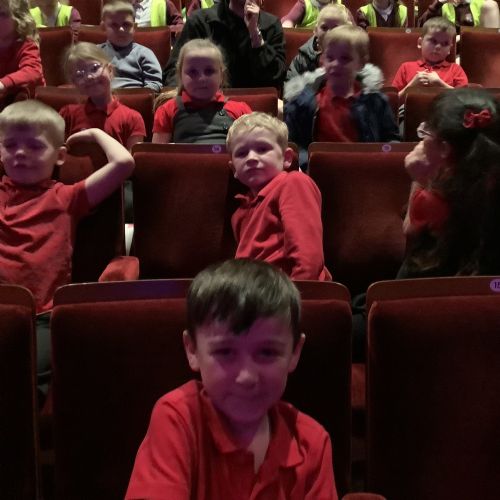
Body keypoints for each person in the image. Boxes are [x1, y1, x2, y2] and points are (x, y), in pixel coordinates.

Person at [126, 258, 338, 499]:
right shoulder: (178, 419)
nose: (246, 376)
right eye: (225, 352)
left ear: (294, 352)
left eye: (267, 352)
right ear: (192, 350)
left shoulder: (312, 444)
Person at [0, 99, 135, 397]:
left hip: (42, 315)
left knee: (26, 382)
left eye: (35, 146)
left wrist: (95, 134)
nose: (20, 153)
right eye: (10, 145)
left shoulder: (67, 197)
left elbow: (124, 163)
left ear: (60, 156)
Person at [398, 87, 500, 278]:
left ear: (445, 148)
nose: (422, 138)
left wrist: (419, 178)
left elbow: (410, 233)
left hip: (433, 288)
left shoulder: (431, 201)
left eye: (426, 131)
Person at [227, 112, 331, 281]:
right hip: (252, 290)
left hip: (291, 290)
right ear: (234, 169)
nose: (251, 158)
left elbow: (308, 257)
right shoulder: (240, 211)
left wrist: (295, 293)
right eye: (242, 153)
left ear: (287, 158)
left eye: (262, 149)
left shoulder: (293, 183)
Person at [284, 24, 400, 169]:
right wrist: (307, 163)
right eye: (330, 57)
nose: (336, 64)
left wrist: (380, 159)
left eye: (345, 58)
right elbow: (293, 143)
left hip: (364, 171)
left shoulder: (375, 102)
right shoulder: (304, 102)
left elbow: (391, 140)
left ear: (361, 63)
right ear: (322, 60)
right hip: (319, 172)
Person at [163, 0, 286, 88]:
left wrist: (255, 34)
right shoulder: (201, 22)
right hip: (207, 106)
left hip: (255, 110)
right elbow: (173, 73)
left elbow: (276, 80)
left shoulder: (271, 25)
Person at [153, 38, 251, 144]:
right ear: (180, 75)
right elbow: (158, 152)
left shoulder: (240, 110)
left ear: (221, 76)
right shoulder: (167, 110)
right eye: (192, 72)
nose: (201, 79)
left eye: (209, 71)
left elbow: (254, 146)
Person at [60, 42, 146, 151]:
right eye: (79, 74)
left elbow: (132, 160)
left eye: (94, 68)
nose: (89, 77)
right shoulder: (67, 114)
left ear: (109, 70)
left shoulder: (132, 118)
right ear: (74, 83)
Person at [392, 17, 468, 99]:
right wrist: (412, 86)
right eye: (433, 41)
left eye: (445, 43)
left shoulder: (455, 70)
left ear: (450, 49)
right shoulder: (406, 67)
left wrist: (440, 84)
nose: (438, 47)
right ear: (420, 43)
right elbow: (393, 102)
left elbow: (465, 99)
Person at [99, 0, 163, 93]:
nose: (121, 29)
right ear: (103, 27)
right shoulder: (95, 53)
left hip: (137, 99)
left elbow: (154, 84)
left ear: (134, 27)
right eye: (114, 25)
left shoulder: (144, 53)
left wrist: (139, 97)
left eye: (126, 24)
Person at [286, 3, 352, 82]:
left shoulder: (352, 57)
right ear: (316, 30)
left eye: (335, 28)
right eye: (324, 28)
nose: (328, 34)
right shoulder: (302, 59)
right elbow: (289, 85)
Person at [0, 0, 45, 108]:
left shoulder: (27, 44)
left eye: (3, 14)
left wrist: (3, 83)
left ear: (19, 20)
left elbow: (33, 71)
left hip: (30, 105)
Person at [418, 0, 499, 29]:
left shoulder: (485, 5)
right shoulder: (442, 5)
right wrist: (438, 3)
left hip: (475, 50)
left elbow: (491, 40)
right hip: (447, 51)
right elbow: (421, 29)